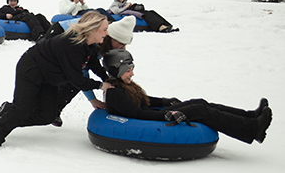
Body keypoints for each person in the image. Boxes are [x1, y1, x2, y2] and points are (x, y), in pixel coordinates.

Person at [0, 11, 112, 149]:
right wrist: (102, 85)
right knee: (21, 109)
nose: (107, 33)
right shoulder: (72, 45)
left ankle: (6, 114)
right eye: (104, 29)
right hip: (31, 68)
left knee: (47, 115)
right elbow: (77, 80)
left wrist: (108, 79)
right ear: (92, 29)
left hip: (48, 77)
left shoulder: (88, 45)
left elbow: (94, 65)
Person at [102, 49, 272, 144]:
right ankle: (252, 128)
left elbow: (143, 100)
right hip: (150, 119)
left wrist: (164, 101)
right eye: (129, 70)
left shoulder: (123, 85)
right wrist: (167, 114)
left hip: (152, 113)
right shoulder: (115, 93)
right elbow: (138, 114)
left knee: (199, 103)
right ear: (117, 70)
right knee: (200, 110)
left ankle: (250, 116)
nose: (132, 74)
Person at [107, 0, 177, 33]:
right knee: (146, 15)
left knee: (151, 12)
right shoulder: (115, 4)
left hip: (132, 11)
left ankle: (167, 25)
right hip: (128, 14)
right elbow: (115, 11)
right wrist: (126, 7)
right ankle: (161, 27)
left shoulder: (125, 3)